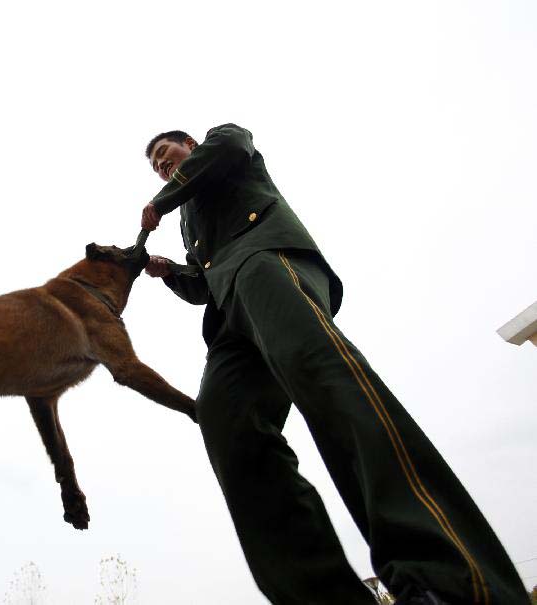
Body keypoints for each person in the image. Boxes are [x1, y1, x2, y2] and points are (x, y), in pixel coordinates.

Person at [140, 124, 527, 605]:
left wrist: (166, 196)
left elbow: (233, 145)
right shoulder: (186, 221)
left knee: (323, 376)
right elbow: (202, 284)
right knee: (224, 423)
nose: (160, 162)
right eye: (154, 163)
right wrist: (169, 271)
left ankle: (448, 579)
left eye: (164, 151)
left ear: (190, 146)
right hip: (229, 323)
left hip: (267, 263)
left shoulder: (221, 147)